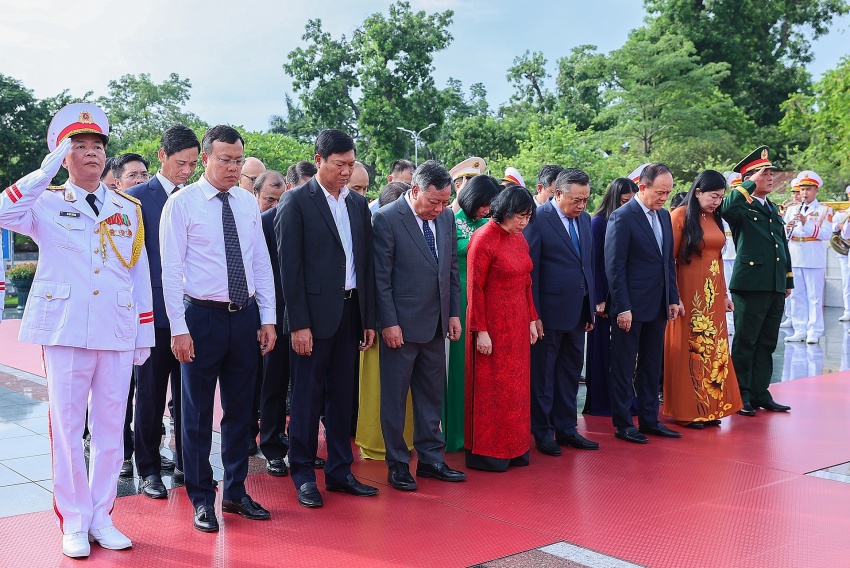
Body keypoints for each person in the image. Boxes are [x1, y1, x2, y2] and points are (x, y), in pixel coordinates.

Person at [0, 103, 154, 557]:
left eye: (96, 147)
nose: (90, 154)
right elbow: (3, 214)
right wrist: (42, 174)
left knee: (111, 428)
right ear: (63, 157)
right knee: (66, 428)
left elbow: (139, 275)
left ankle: (102, 515)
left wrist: (143, 335)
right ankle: (73, 519)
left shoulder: (127, 208)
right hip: (65, 329)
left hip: (116, 329)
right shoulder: (44, 203)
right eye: (78, 147)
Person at [161, 125, 277, 532]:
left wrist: (267, 318)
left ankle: (236, 493)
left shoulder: (247, 203)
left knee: (241, 412)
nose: (232, 166)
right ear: (205, 159)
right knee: (194, 415)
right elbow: (171, 271)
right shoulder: (182, 204)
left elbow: (259, 262)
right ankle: (200, 497)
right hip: (200, 319)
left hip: (244, 317)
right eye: (224, 158)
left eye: (237, 159)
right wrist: (178, 328)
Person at [275, 129, 378, 509]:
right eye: (339, 165)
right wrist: (298, 323)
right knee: (305, 397)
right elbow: (290, 269)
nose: (346, 172)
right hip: (312, 319)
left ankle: (339, 471)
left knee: (342, 398)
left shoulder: (356, 205)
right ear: (318, 160)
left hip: (350, 312)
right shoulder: (296, 202)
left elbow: (363, 264)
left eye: (351, 164)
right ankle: (302, 472)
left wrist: (368, 316)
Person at [373, 160, 466, 491]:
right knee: (395, 398)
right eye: (433, 202)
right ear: (415, 191)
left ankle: (431, 459)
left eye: (444, 202)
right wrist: (389, 323)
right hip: (400, 327)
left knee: (431, 394)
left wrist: (453, 313)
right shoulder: (386, 219)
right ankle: (398, 462)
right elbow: (380, 279)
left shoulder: (446, 218)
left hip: (437, 322)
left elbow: (451, 269)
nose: (439, 208)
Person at [126, 124, 200, 499]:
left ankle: (189, 463)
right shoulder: (135, 199)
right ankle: (149, 469)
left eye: (192, 164)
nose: (186, 171)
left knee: (191, 395)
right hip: (151, 315)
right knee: (151, 396)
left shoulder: (198, 199)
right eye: (180, 163)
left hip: (193, 314)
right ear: (161, 156)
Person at [605, 163, 682, 444]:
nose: (664, 198)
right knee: (624, 366)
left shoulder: (663, 217)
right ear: (643, 188)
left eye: (668, 192)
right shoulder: (622, 217)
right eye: (660, 192)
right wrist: (622, 306)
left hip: (658, 304)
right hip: (631, 307)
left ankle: (650, 419)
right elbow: (615, 267)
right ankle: (624, 423)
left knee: (651, 365)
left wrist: (672, 297)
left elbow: (667, 263)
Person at [464, 185, 539, 471]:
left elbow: (527, 282)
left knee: (517, 389)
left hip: (518, 323)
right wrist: (480, 330)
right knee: (492, 388)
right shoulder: (483, 238)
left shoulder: (519, 239)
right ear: (504, 212)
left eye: (528, 216)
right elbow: (475, 289)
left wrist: (532, 319)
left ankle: (516, 447)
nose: (523, 222)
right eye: (519, 216)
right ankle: (489, 451)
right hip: (492, 325)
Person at [525, 168, 600, 455]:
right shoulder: (538, 219)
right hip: (549, 313)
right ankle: (543, 431)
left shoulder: (584, 220)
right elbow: (532, 271)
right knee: (544, 374)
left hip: (578, 311)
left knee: (570, 372)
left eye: (585, 199)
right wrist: (535, 314)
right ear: (558, 194)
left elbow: (588, 265)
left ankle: (567, 427)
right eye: (576, 200)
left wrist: (590, 307)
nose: (581, 205)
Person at [663, 170, 743, 428]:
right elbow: (668, 261)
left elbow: (717, 260)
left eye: (720, 197)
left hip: (713, 296)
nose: (716, 201)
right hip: (689, 294)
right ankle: (687, 411)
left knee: (715, 352)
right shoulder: (679, 217)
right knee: (691, 350)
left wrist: (725, 295)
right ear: (697, 192)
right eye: (713, 196)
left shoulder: (714, 218)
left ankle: (710, 409)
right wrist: (674, 296)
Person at [722, 146, 793, 416]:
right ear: (750, 177)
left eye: (772, 172)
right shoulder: (742, 204)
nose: (771, 177)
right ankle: (742, 393)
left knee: (767, 341)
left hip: (774, 283)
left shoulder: (773, 208)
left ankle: (762, 391)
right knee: (746, 341)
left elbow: (781, 246)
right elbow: (727, 208)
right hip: (750, 284)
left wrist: (788, 280)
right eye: (765, 173)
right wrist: (748, 183)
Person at [355, 183, 415, 460]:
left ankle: (401, 440)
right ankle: (378, 442)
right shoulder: (378, 228)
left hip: (397, 321)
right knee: (379, 387)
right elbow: (377, 279)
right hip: (380, 322)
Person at [444, 175, 500, 452]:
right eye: (484, 204)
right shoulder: (450, 222)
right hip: (462, 302)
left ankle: (484, 431)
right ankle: (456, 434)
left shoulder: (493, 225)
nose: (487, 210)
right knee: (459, 369)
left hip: (490, 300)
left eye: (492, 205)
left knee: (487, 370)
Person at [111, 152, 154, 478]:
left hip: (146, 313)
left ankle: (147, 448)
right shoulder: (112, 217)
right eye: (132, 176)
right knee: (120, 390)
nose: (139, 181)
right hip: (114, 316)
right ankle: (123, 452)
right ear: (118, 182)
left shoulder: (146, 211)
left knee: (148, 389)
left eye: (143, 175)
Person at [584, 177, 637, 416]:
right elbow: (594, 262)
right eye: (625, 201)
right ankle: (601, 400)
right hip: (604, 296)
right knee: (602, 350)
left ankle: (622, 398)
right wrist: (598, 298)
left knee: (622, 353)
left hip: (622, 293)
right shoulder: (598, 222)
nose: (628, 205)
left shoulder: (628, 221)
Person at [258, 178, 291, 477]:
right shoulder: (265, 222)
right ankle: (271, 447)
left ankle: (299, 444)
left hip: (309, 315)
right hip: (275, 315)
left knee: (307, 386)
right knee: (274, 383)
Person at [783, 170, 832, 344]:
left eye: (808, 189)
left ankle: (814, 330)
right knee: (797, 296)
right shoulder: (791, 210)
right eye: (802, 189)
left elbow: (827, 234)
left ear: (816, 190)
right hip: (795, 255)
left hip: (813, 257)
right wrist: (787, 229)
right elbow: (784, 234)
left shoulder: (824, 210)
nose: (804, 193)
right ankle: (799, 328)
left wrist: (806, 223)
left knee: (814, 296)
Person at [722, 173, 742, 335]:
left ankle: (738, 323)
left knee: (738, 290)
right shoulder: (725, 204)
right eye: (734, 188)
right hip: (725, 251)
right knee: (726, 289)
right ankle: (729, 325)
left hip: (738, 252)